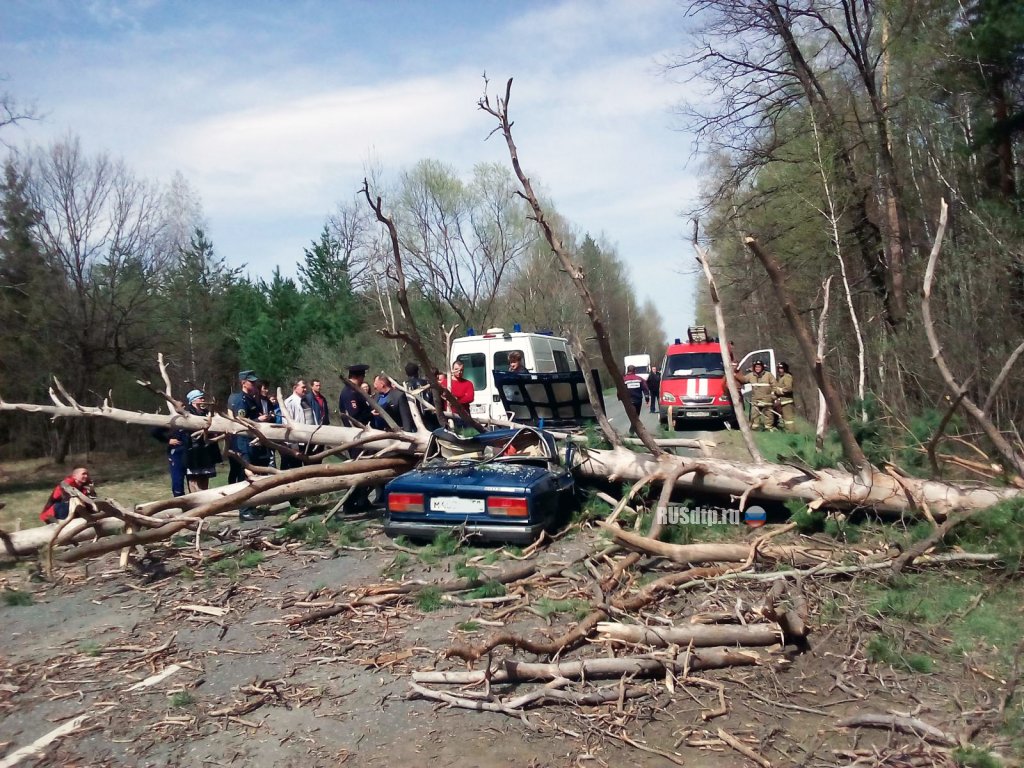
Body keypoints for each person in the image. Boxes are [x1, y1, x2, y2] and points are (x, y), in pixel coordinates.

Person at [228, 370, 275, 521]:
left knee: (257, 475)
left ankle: (253, 507)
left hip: (254, 444)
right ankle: (245, 510)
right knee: (247, 477)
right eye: (252, 382)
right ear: (243, 382)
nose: (255, 385)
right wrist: (259, 420)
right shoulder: (241, 400)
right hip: (244, 444)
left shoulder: (251, 398)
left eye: (255, 382)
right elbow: (241, 422)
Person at [339, 364, 374, 512]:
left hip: (361, 435)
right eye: (363, 376)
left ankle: (361, 500)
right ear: (359, 377)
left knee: (364, 470)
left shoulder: (354, 391)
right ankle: (349, 504)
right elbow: (355, 416)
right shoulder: (350, 393)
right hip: (356, 436)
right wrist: (371, 414)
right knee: (358, 470)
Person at [182, 390, 222, 493]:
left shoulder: (206, 413)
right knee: (194, 479)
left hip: (207, 451)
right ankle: (196, 501)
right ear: (193, 401)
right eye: (200, 398)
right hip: (194, 452)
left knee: (205, 477)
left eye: (203, 398)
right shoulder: (188, 414)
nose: (203, 400)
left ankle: (204, 498)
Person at [734, 359, 776, 431]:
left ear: (762, 367)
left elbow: (775, 385)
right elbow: (743, 380)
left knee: (769, 415)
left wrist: (773, 395)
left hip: (767, 400)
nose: (757, 368)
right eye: (756, 367)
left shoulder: (768, 375)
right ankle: (755, 428)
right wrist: (735, 374)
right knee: (754, 415)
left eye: (759, 367)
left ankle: (769, 428)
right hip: (755, 400)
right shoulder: (751, 375)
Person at [282, 379, 314, 470]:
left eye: (305, 388)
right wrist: (293, 444)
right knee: (295, 468)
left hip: (307, 441)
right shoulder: (289, 402)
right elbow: (287, 423)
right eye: (303, 387)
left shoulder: (306, 401)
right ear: (295, 388)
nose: (305, 390)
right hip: (296, 442)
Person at [405, 362, 438, 431]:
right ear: (417, 371)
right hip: (429, 416)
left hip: (414, 418)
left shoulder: (405, 386)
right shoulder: (426, 383)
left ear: (406, 373)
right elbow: (432, 398)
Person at [623, 365, 650, 433]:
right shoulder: (639, 379)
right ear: (635, 370)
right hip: (638, 400)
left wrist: (620, 397)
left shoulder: (624, 379)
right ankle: (633, 430)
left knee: (632, 415)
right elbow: (645, 389)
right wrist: (647, 398)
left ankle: (633, 429)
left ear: (627, 370)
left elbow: (620, 389)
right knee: (636, 415)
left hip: (628, 401)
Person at [773, 362, 796, 433]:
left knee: (788, 420)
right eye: (779, 368)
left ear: (785, 369)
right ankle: (786, 431)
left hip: (787, 402)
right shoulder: (780, 377)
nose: (780, 370)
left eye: (782, 368)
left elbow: (788, 388)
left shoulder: (787, 376)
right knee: (783, 418)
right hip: (781, 401)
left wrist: (778, 391)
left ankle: (791, 433)